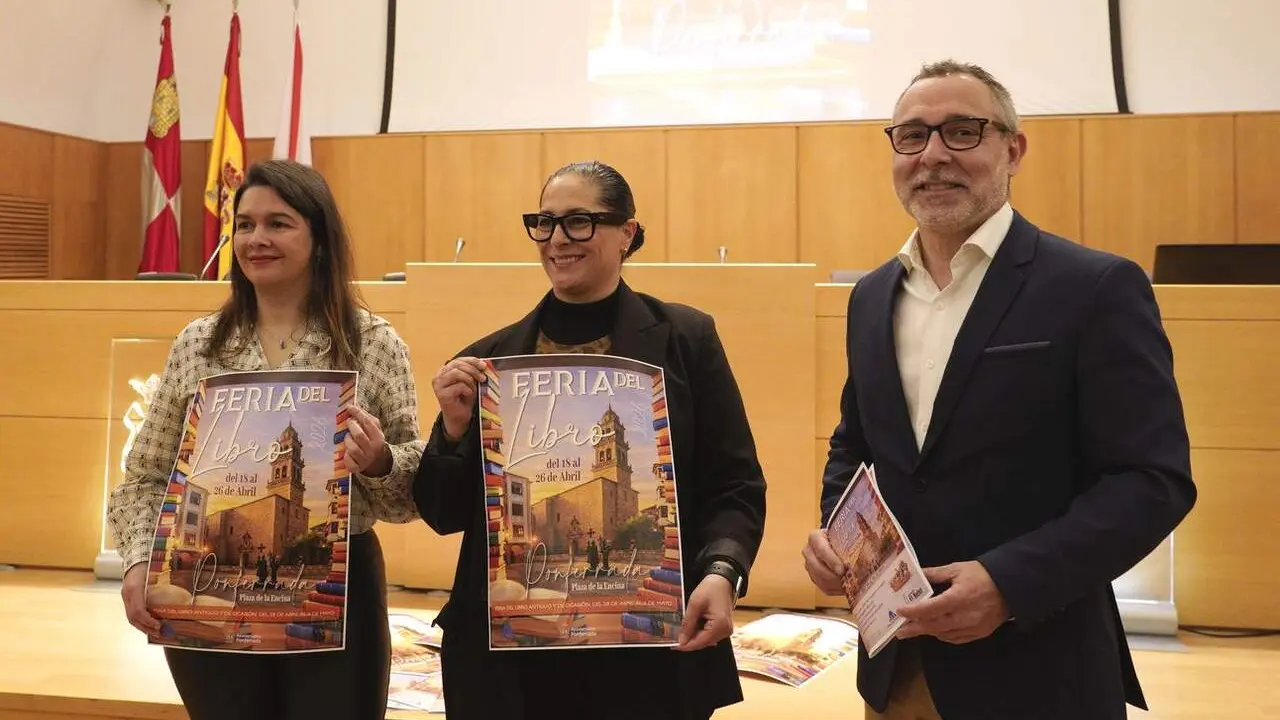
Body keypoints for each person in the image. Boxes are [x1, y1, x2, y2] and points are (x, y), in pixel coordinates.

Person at [802, 60, 1197, 720]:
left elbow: (1152, 480)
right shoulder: (870, 298)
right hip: (896, 666)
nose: (932, 155)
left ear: (1012, 149)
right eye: (911, 136)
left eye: (962, 132)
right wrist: (840, 539)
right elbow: (857, 444)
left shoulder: (1094, 288)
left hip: (1039, 670)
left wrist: (1011, 583)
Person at [414, 160, 767, 720]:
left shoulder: (686, 338)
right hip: (513, 662)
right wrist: (454, 429)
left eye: (580, 222)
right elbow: (441, 512)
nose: (557, 239)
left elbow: (736, 484)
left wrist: (723, 571)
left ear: (627, 232)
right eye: (545, 222)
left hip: (649, 653)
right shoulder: (490, 360)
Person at [105, 159, 424, 720]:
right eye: (245, 224)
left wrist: (377, 462)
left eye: (278, 223)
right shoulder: (197, 345)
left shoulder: (372, 343)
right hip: (207, 590)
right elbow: (147, 478)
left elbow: (411, 493)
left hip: (336, 593)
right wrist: (138, 563)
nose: (257, 239)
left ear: (319, 238)